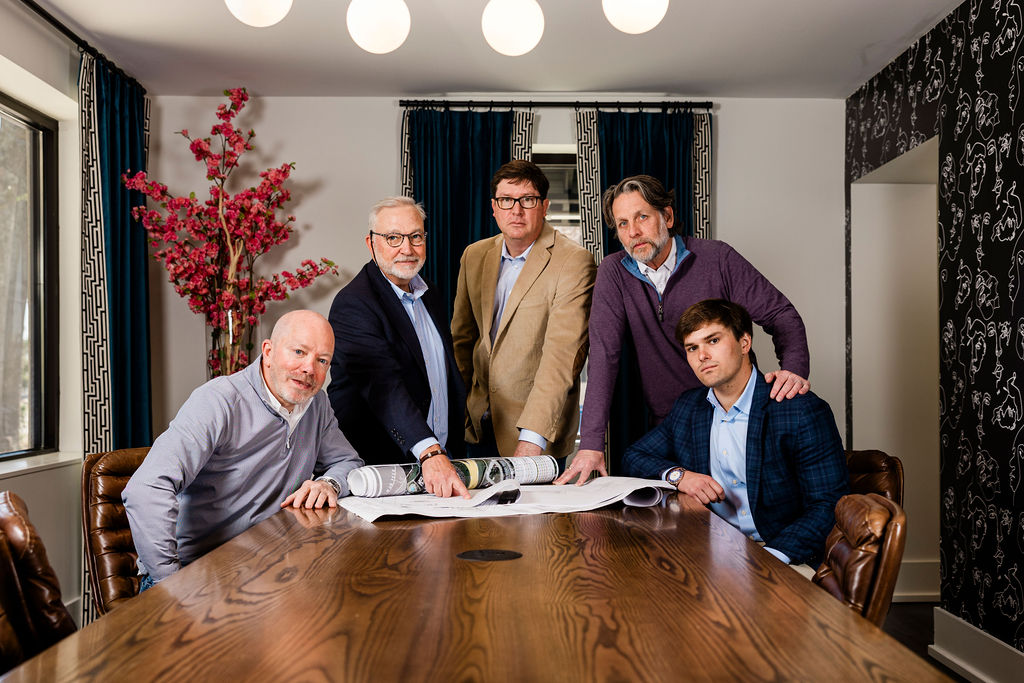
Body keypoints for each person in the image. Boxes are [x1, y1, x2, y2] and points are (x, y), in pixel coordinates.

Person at [557, 174, 810, 484]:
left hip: (738, 414)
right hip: (672, 425)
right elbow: (604, 358)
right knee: (678, 521)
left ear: (668, 216)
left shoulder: (717, 258)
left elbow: (781, 314)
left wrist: (794, 369)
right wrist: (592, 444)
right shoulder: (613, 273)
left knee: (752, 509)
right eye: (622, 224)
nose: (633, 231)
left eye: (642, 217)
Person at [123, 310, 364, 586]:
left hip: (268, 566)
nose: (310, 368)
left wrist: (328, 484)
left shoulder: (316, 404)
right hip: (198, 571)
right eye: (299, 351)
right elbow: (147, 487)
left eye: (322, 360)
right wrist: (170, 583)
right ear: (269, 351)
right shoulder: (218, 401)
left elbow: (349, 463)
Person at [621, 299, 848, 569]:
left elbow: (827, 505)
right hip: (707, 555)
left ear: (744, 343)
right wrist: (679, 476)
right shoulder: (689, 408)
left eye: (713, 341)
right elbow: (634, 456)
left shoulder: (799, 410)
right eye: (692, 348)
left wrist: (768, 560)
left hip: (784, 556)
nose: (701, 355)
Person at [451, 160, 597, 460]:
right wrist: (455, 415)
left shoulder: (574, 262)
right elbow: (462, 343)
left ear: (544, 206)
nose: (515, 211)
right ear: (494, 207)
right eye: (506, 200)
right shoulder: (475, 255)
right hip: (476, 427)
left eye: (527, 200)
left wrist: (533, 437)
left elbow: (563, 356)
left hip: (533, 436)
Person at [328, 197, 469, 499]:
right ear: (371, 243)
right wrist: (430, 453)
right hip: (381, 475)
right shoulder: (354, 304)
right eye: (393, 238)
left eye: (415, 236)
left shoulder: (428, 293)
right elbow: (384, 387)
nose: (407, 248)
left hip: (440, 468)